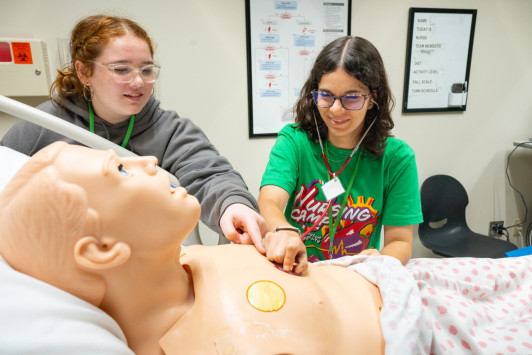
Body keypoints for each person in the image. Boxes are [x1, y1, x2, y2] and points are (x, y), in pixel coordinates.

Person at [1, 143, 531, 355]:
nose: (142, 156)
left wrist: (282, 242)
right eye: (117, 169)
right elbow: (274, 197)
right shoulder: (195, 341)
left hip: (400, 279)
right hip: (438, 330)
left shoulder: (185, 260)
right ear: (101, 250)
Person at [0, 14, 274, 258]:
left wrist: (233, 204)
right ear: (84, 72)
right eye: (121, 69)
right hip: (59, 262)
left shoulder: (169, 130)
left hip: (143, 267)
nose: (138, 82)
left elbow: (211, 174)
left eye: (146, 69)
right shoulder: (42, 124)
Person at [258, 36, 423, 264]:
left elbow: (400, 242)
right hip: (297, 270)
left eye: (351, 98)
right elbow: (269, 201)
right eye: (326, 95)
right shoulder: (294, 141)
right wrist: (283, 231)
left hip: (356, 279)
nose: (336, 110)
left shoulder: (397, 159)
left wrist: (378, 261)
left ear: (373, 97)